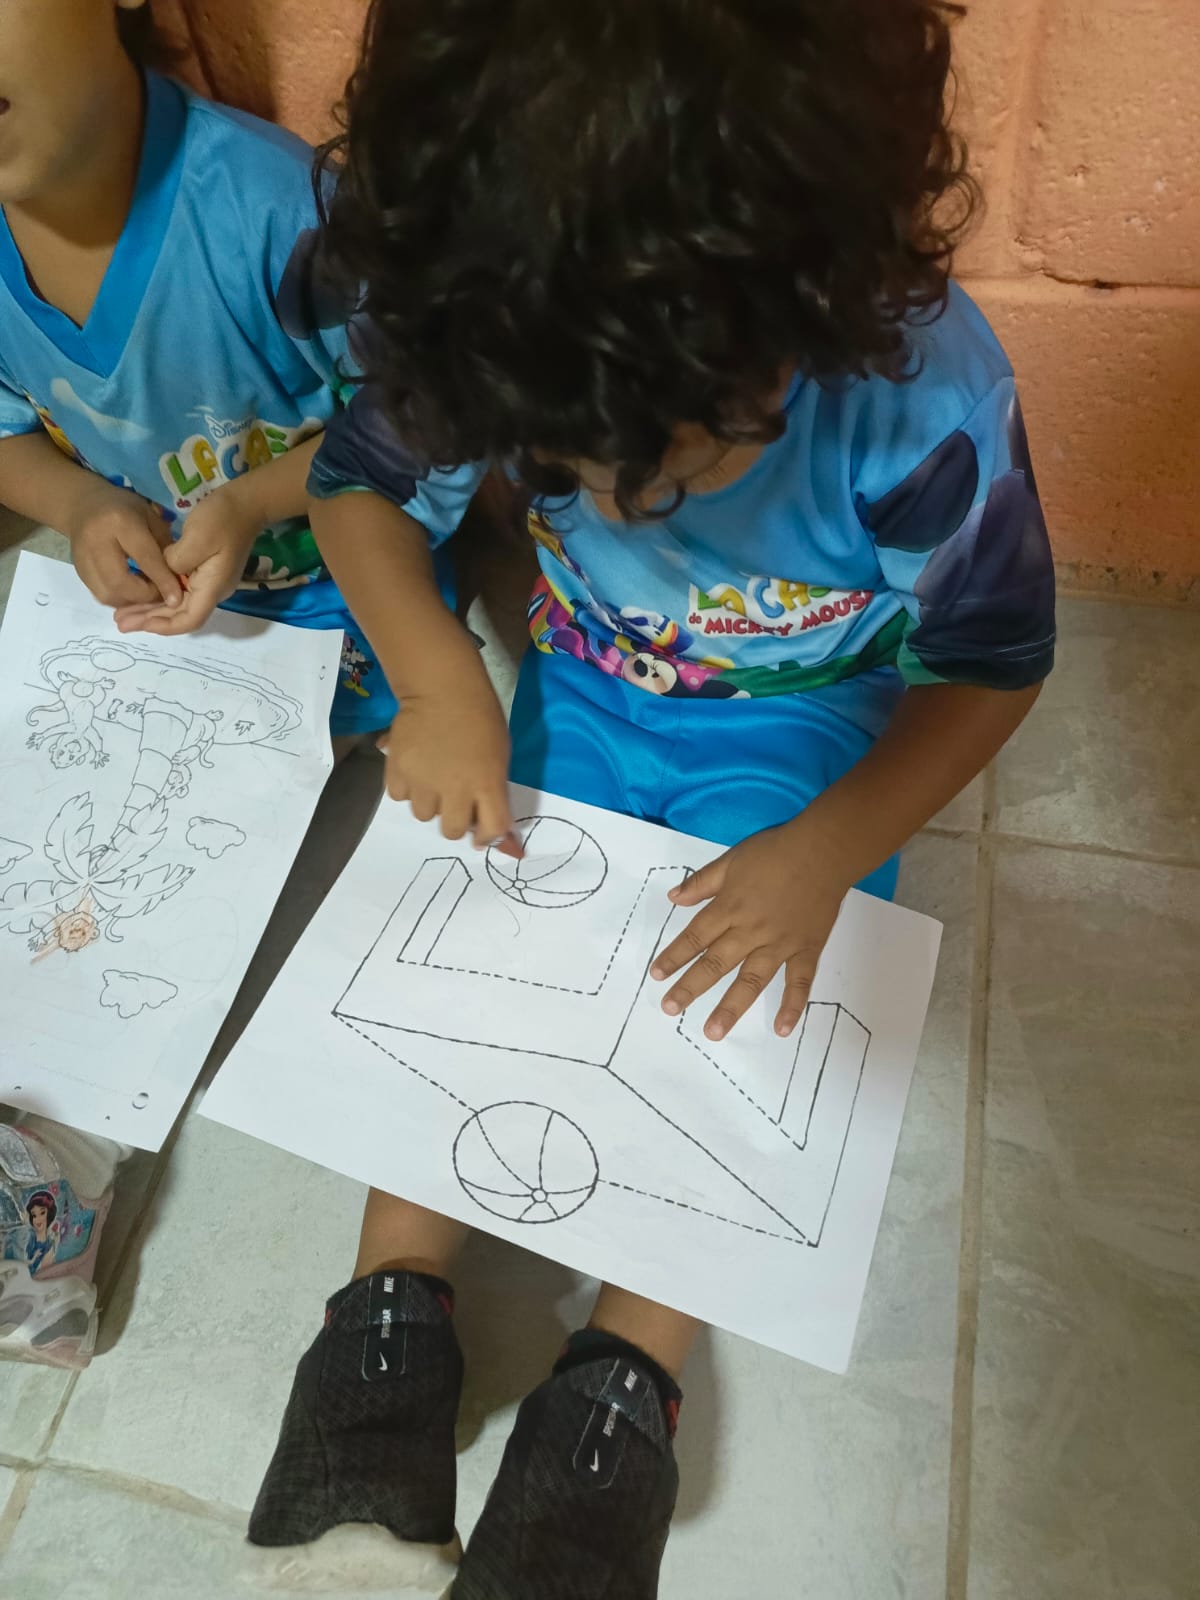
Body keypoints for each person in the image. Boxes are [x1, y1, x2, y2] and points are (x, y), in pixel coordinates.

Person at [241, 1, 1054, 1594]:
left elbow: (992, 668)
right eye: (564, 461)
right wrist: (441, 679)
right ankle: (387, 1314)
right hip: (583, 688)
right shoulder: (494, 300)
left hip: (814, 737)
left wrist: (824, 853)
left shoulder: (923, 409)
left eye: (670, 459)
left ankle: (627, 1376)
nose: (617, 497)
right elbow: (358, 499)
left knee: (743, 1022)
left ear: (817, 308)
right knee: (475, 940)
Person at [0, 0, 455, 749]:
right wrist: (79, 504)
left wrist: (251, 504)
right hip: (144, 613)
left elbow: (427, 415)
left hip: (343, 582)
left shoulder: (279, 212)